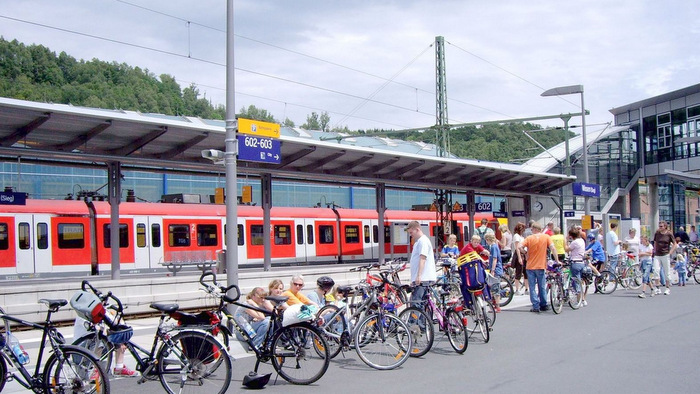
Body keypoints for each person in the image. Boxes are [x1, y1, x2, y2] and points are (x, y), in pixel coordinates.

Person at [73, 317, 138, 377]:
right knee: (99, 339)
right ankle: (95, 371)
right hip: (79, 353)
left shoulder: (100, 311)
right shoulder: (84, 314)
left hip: (91, 351)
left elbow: (116, 322)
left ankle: (119, 368)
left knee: (118, 335)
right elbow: (97, 329)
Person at [519, 222, 559, 313]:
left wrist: (525, 253)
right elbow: (553, 248)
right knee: (541, 286)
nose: (531, 230)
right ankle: (543, 304)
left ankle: (535, 306)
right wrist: (557, 260)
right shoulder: (546, 237)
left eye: (532, 229)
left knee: (532, 287)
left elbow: (519, 246)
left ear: (534, 229)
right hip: (541, 265)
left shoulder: (529, 238)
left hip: (530, 266)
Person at [406, 221, 437, 309]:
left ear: (417, 229)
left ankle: (414, 323)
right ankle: (421, 322)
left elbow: (422, 259)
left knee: (416, 303)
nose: (411, 235)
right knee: (422, 304)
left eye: (411, 232)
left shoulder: (423, 241)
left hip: (423, 279)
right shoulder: (419, 241)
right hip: (423, 279)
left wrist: (419, 276)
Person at [565, 227, 588, 306]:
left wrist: (566, 240)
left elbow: (567, 249)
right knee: (579, 281)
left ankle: (580, 300)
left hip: (575, 262)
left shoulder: (574, 242)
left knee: (576, 283)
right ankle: (583, 299)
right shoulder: (582, 241)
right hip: (581, 262)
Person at [653, 220, 677, 296]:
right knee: (656, 270)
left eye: (661, 226)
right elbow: (655, 242)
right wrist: (654, 250)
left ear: (665, 226)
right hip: (657, 254)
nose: (660, 227)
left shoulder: (669, 234)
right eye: (659, 226)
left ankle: (667, 288)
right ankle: (657, 288)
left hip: (665, 254)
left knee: (667, 272)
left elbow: (675, 244)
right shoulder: (657, 233)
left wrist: (670, 252)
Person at [485, 233, 502, 313]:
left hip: (496, 270)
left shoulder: (494, 247)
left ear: (488, 240)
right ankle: (496, 305)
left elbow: (495, 259)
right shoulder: (494, 246)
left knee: (495, 288)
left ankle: (497, 306)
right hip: (497, 269)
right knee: (494, 287)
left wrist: (492, 270)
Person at [511, 222, 528, 295]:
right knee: (518, 272)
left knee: (525, 272)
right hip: (519, 255)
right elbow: (517, 247)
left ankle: (527, 289)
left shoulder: (521, 236)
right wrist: (519, 258)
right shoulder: (516, 236)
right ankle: (517, 289)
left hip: (523, 254)